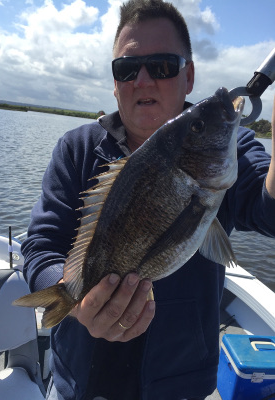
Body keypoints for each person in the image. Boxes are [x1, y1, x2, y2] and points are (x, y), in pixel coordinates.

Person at [22, 0, 275, 399]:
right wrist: (75, 301)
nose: (142, 80)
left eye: (161, 66)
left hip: (180, 386)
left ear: (188, 75)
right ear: (115, 82)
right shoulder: (77, 149)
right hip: (78, 380)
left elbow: (269, 212)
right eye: (126, 69)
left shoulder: (229, 145)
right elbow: (40, 248)